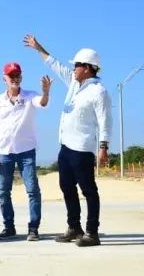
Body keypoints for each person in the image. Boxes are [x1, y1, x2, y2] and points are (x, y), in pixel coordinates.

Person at [24, 35, 112, 248]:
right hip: (65, 146)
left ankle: (92, 232)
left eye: (77, 65)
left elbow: (105, 121)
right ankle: (74, 226)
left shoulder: (98, 92)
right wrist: (38, 47)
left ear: (88, 68)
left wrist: (103, 148)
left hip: (82, 148)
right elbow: (55, 65)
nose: (73, 68)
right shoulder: (75, 84)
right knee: (66, 187)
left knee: (88, 190)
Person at [0, 62, 53, 242]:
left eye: (17, 75)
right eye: (11, 76)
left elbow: (42, 103)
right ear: (4, 79)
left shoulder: (30, 96)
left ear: (21, 78)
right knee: (3, 192)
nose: (14, 79)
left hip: (26, 151)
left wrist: (46, 92)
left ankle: (33, 229)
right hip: (4, 151)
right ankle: (8, 227)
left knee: (32, 190)